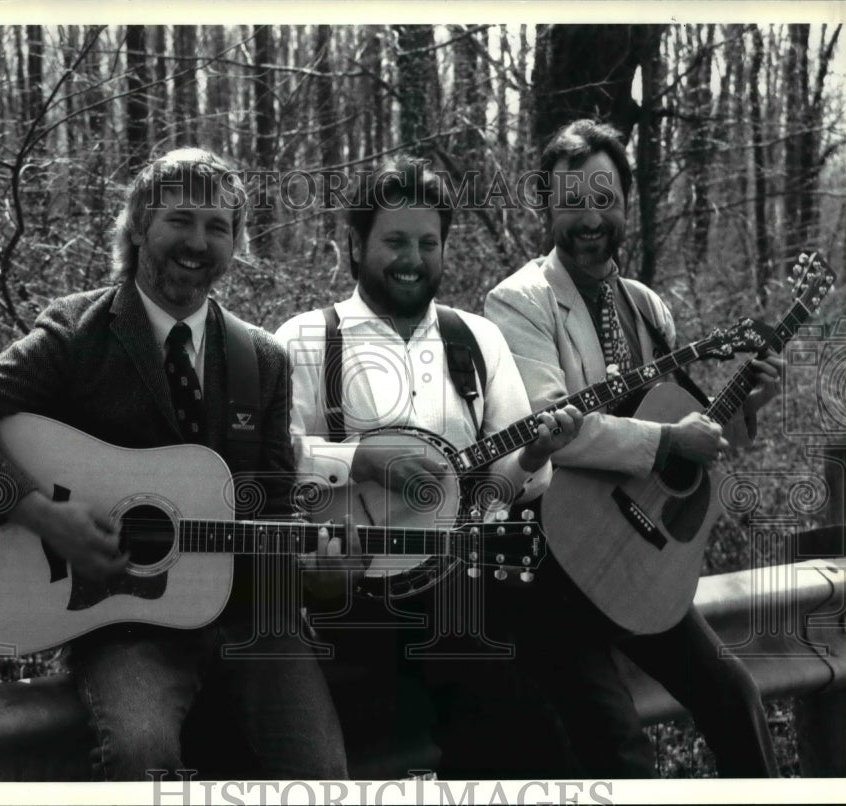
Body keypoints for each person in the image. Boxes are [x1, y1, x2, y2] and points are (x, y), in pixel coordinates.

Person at [0, 148, 352, 781]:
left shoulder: (264, 358)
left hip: (254, 616)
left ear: (236, 244)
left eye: (218, 227)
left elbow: (274, 511)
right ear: (139, 226)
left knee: (324, 773)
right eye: (180, 219)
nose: (197, 242)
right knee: (140, 753)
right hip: (123, 625)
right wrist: (43, 515)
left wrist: (320, 579)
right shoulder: (77, 332)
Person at [484, 119, 786, 777]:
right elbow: (548, 424)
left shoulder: (649, 309)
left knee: (734, 696)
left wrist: (747, 408)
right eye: (573, 202)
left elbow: (692, 435)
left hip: (633, 564)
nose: (590, 218)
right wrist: (667, 441)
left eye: (605, 199)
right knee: (620, 756)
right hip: (553, 576)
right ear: (548, 208)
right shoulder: (518, 302)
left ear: (626, 202)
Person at [275, 157, 584, 778]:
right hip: (344, 608)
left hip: (461, 600)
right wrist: (357, 457)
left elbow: (504, 485)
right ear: (357, 245)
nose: (412, 258)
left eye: (428, 242)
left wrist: (533, 456)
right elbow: (270, 466)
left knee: (531, 753)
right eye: (394, 241)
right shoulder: (304, 340)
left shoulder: (476, 341)